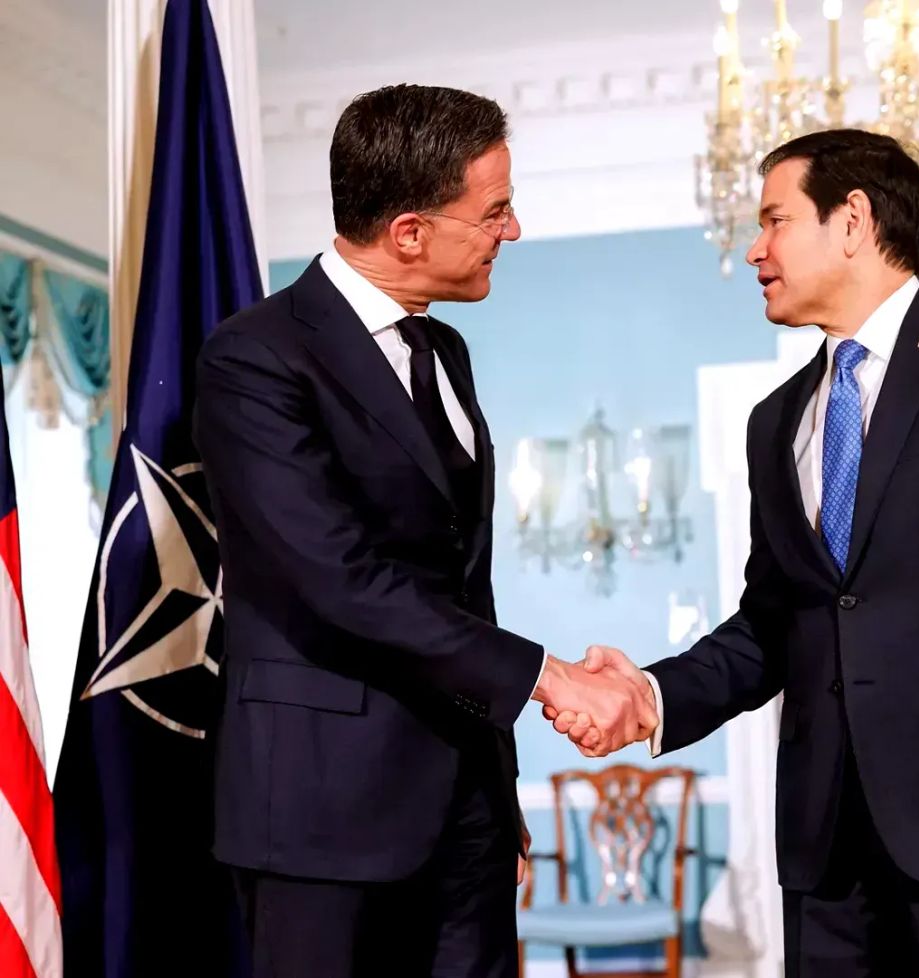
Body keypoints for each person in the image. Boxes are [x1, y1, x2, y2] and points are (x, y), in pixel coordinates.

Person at [550, 129, 919, 977]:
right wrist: (648, 696)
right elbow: (776, 622)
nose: (754, 249)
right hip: (825, 853)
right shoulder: (775, 420)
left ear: (852, 220)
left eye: (773, 221)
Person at [194, 84, 653, 978]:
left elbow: (458, 583)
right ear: (409, 232)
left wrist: (497, 779)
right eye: (495, 211)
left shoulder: (445, 350)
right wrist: (549, 677)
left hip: (464, 806)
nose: (511, 231)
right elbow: (341, 578)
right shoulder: (255, 357)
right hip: (323, 815)